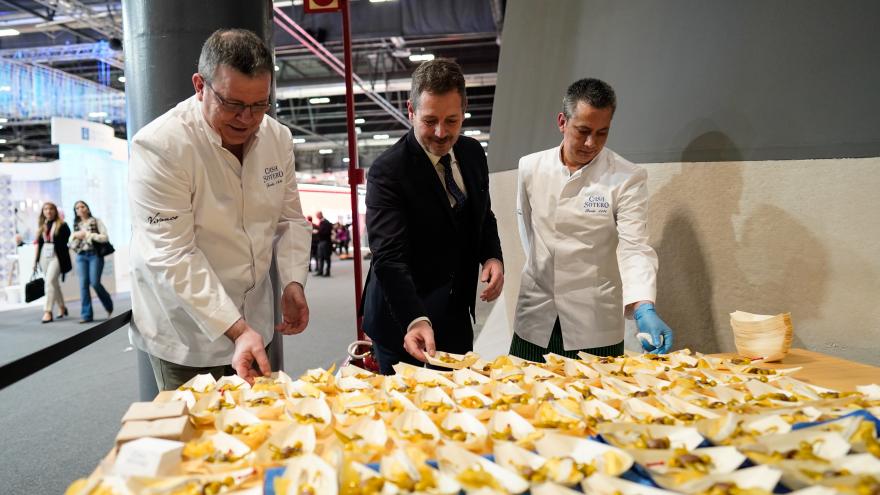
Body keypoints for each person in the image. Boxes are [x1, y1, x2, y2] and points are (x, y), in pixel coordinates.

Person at [128, 28, 312, 390]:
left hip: (254, 321)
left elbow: (290, 219)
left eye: (259, 104)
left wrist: (292, 282)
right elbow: (173, 255)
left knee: (258, 430)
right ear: (200, 86)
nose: (247, 118)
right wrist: (237, 329)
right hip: (185, 331)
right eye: (232, 104)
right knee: (198, 438)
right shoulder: (161, 146)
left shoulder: (278, 139)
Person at [510, 78, 673, 361]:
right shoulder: (531, 167)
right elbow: (528, 231)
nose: (591, 143)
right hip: (536, 313)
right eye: (583, 131)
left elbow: (634, 246)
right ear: (562, 122)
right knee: (525, 397)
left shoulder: (627, 177)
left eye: (602, 133)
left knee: (598, 402)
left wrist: (643, 306)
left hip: (595, 321)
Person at [362, 59, 504, 374]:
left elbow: (483, 213)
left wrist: (492, 255)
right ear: (411, 112)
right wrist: (415, 318)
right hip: (401, 318)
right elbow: (388, 257)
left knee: (456, 409)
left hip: (455, 313)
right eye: (429, 121)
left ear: (464, 111)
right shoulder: (389, 171)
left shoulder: (472, 153)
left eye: (451, 121)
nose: (441, 133)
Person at [68, 200, 114, 323]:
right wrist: (75, 237)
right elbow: (71, 242)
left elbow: (105, 238)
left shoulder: (96, 221)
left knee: (95, 282)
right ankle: (86, 315)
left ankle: (108, 305)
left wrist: (88, 235)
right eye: (77, 208)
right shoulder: (76, 225)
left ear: (87, 208)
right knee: (83, 285)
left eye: (82, 206)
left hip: (95, 255)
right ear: (75, 212)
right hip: (81, 256)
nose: (80, 209)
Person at [34, 202, 71, 323]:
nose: (48, 211)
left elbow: (66, 242)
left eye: (51, 209)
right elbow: (38, 245)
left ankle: (47, 311)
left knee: (49, 281)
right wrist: (35, 261)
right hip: (44, 256)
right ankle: (62, 307)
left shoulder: (63, 225)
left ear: (55, 211)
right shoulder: (41, 226)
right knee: (54, 283)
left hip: (57, 256)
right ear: (43, 212)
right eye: (45, 209)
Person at [315, 211, 332, 277]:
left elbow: (326, 232)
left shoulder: (326, 222)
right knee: (320, 257)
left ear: (320, 215)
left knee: (326, 257)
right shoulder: (322, 222)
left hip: (325, 242)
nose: (317, 217)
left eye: (317, 215)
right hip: (321, 242)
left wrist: (318, 232)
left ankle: (327, 272)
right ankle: (320, 271)